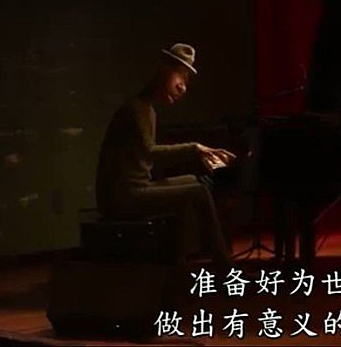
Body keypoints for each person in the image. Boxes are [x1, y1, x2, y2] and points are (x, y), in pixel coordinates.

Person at [95, 43, 237, 267]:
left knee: (192, 181)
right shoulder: (136, 109)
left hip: (136, 189)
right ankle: (223, 265)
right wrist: (195, 149)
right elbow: (150, 152)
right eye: (180, 75)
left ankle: (179, 263)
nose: (183, 86)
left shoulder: (146, 109)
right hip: (122, 197)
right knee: (198, 191)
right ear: (163, 71)